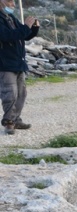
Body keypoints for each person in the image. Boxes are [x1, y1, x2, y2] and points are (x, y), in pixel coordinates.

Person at [0, 0, 37, 135]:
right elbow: (7, 36)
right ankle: (8, 122)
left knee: (21, 93)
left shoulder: (11, 18)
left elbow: (23, 35)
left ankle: (16, 120)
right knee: (10, 94)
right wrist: (26, 27)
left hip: (17, 62)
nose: (13, 4)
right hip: (5, 63)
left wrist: (33, 28)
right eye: (10, 1)